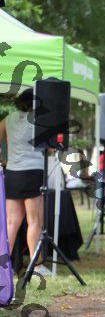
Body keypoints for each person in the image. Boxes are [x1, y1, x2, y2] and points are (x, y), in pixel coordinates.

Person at [0, 88, 49, 275]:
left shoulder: (9, 118)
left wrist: (3, 158)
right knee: (34, 221)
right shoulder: (39, 120)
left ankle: (3, 268)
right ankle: (36, 267)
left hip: (13, 173)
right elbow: (51, 146)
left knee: (11, 223)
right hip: (33, 172)